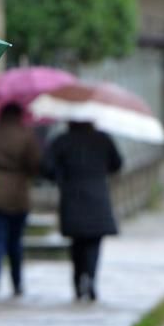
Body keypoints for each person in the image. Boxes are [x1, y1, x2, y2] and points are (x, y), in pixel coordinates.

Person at [42, 121, 122, 302]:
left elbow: (46, 167)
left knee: (77, 243)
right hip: (97, 196)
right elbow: (117, 163)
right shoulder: (102, 139)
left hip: (72, 196)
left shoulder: (62, 140)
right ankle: (91, 278)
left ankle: (79, 281)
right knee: (94, 241)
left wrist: (61, 176)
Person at [0, 102, 41, 299]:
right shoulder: (26, 135)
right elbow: (35, 165)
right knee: (15, 241)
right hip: (17, 196)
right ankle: (17, 283)